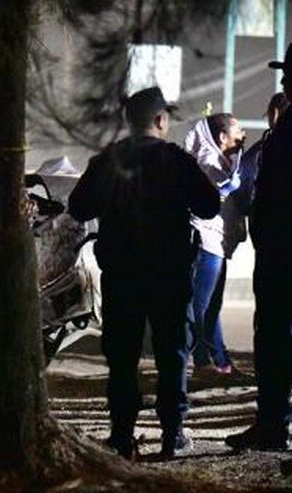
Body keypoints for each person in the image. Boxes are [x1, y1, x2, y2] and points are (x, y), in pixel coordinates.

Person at [68, 86, 219, 459]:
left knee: (122, 355)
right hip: (169, 274)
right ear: (161, 120)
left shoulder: (109, 161)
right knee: (172, 353)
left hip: (122, 274)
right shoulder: (176, 160)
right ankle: (173, 434)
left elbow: (79, 207)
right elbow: (209, 205)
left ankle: (122, 434)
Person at [226, 45, 292, 452]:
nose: (283, 81)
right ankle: (272, 423)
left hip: (283, 256)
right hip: (277, 252)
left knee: (274, 340)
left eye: (289, 74)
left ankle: (273, 425)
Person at [182, 113, 246, 375]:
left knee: (212, 306)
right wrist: (226, 189)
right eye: (238, 131)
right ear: (222, 137)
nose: (243, 135)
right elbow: (209, 199)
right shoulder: (209, 163)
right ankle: (202, 360)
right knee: (200, 305)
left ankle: (221, 361)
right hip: (207, 243)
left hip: (215, 243)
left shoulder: (221, 161)